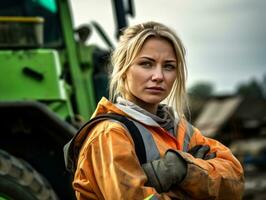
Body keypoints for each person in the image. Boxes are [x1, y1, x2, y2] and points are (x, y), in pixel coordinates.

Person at [69, 21, 244, 199]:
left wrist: (184, 169)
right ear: (123, 69)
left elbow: (235, 181)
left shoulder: (182, 130)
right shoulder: (110, 134)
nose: (158, 76)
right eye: (146, 64)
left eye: (168, 66)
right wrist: (197, 186)